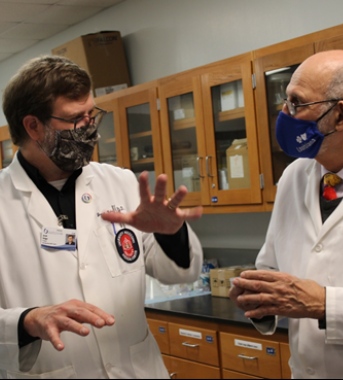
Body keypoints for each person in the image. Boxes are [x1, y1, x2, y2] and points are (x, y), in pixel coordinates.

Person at [0, 55, 204, 379]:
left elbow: (180, 274)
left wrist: (170, 234)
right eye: (74, 118)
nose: (89, 127)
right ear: (32, 126)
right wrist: (26, 322)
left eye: (90, 114)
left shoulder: (120, 183)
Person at [230, 49, 343, 379]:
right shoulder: (295, 176)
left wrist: (325, 303)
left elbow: (311, 299)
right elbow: (271, 265)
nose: (283, 114)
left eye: (296, 103)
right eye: (285, 101)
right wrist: (257, 295)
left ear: (340, 116)